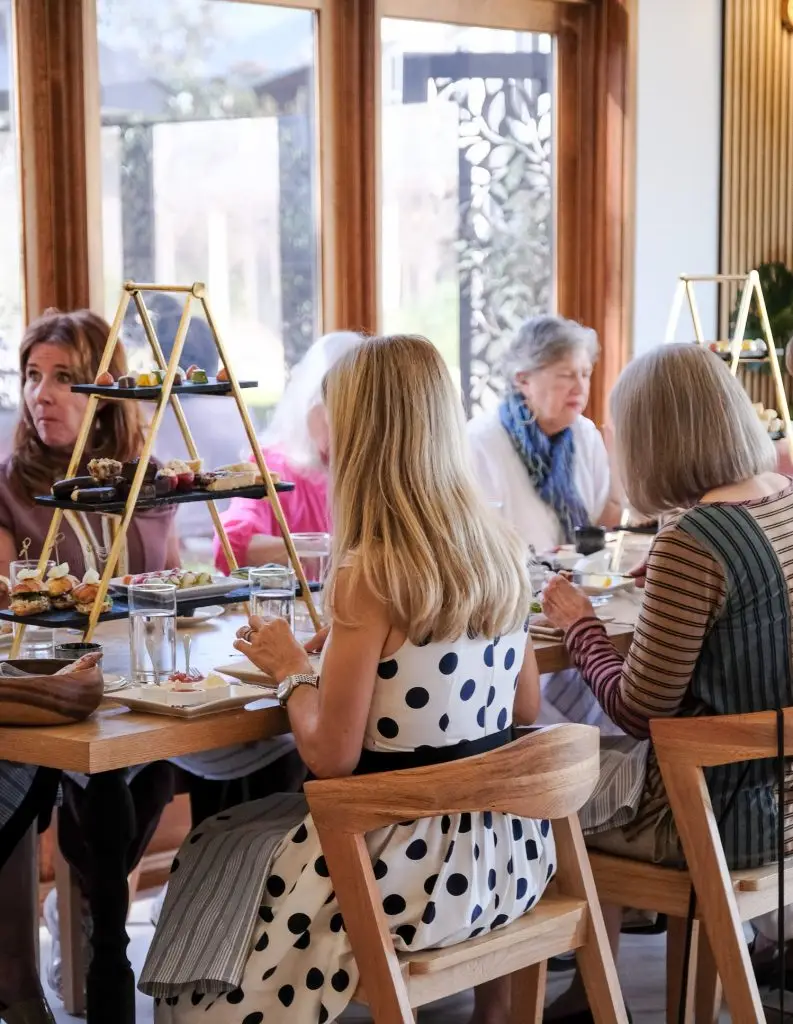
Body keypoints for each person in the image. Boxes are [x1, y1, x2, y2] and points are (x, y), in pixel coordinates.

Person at [141, 334, 555, 1024]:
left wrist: (291, 671)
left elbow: (330, 757)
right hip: (502, 860)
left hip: (399, 874)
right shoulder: (501, 550)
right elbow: (527, 704)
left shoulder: (368, 573)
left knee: (215, 841)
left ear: (363, 438)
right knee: (245, 833)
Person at [541, 343, 793, 1021]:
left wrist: (578, 624)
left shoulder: (694, 540)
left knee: (549, 792)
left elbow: (637, 710)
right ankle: (593, 995)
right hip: (784, 795)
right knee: (597, 768)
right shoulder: (780, 497)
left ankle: (579, 998)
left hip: (722, 816)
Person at [0, 308, 179, 1020]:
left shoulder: (148, 481)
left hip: (140, 679)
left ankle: (106, 920)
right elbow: (9, 606)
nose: (40, 394)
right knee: (82, 783)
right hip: (50, 685)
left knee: (162, 771)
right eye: (31, 375)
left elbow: (172, 585)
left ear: (105, 395)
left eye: (63, 378)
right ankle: (53, 955)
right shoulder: (10, 484)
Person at [467, 315, 622, 554]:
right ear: (523, 380)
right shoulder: (480, 441)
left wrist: (619, 472)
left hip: (578, 574)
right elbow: (476, 540)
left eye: (585, 374)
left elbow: (602, 528)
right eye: (566, 375)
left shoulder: (586, 434)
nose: (580, 387)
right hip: (511, 575)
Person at [213, 330, 364, 573]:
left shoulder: (376, 470)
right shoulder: (274, 469)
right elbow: (230, 547)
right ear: (313, 408)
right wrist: (327, 548)